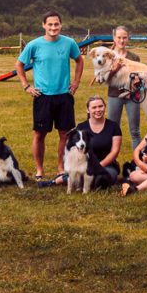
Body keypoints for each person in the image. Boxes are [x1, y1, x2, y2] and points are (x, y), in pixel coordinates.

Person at [16, 10, 84, 184]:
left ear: (61, 25)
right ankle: (39, 169)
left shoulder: (69, 43)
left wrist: (76, 82)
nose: (53, 27)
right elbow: (19, 64)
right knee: (39, 134)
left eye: (56, 24)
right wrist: (26, 86)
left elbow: (79, 60)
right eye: (50, 24)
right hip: (43, 96)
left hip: (64, 95)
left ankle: (61, 168)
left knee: (65, 134)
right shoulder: (34, 45)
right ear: (43, 25)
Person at [102, 25, 143, 152]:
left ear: (128, 38)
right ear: (114, 38)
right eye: (119, 37)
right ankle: (110, 161)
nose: (121, 41)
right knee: (113, 129)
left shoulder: (134, 57)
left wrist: (138, 81)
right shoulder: (107, 56)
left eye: (124, 38)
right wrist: (114, 70)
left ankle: (138, 162)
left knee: (135, 131)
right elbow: (104, 80)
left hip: (132, 96)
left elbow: (140, 78)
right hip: (114, 96)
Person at [75, 95, 123, 183]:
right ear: (88, 110)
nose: (98, 110)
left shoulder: (113, 126)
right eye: (94, 107)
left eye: (100, 106)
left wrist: (98, 167)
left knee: (103, 179)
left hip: (107, 165)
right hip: (86, 164)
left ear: (105, 107)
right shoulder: (81, 127)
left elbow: (114, 152)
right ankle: (56, 181)